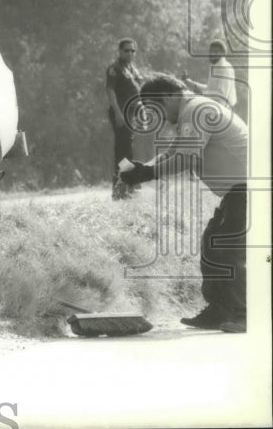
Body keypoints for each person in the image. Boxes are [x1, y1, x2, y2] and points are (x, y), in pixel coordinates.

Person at [120, 73, 248, 333]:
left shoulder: (195, 111)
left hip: (248, 189)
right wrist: (144, 168)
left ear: (169, 96)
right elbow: (174, 153)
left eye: (159, 109)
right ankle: (219, 309)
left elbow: (186, 160)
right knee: (212, 245)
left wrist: (147, 173)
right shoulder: (193, 110)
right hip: (238, 191)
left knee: (226, 249)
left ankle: (244, 313)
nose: (163, 118)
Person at [105, 38, 144, 200]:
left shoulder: (132, 69)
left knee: (128, 150)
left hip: (132, 113)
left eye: (132, 51)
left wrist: (142, 111)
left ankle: (129, 186)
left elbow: (138, 91)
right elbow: (110, 91)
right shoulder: (115, 69)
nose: (129, 53)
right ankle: (120, 188)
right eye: (126, 50)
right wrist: (118, 114)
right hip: (121, 113)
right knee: (122, 152)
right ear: (120, 51)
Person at [181, 39, 237, 109]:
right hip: (215, 108)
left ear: (222, 53)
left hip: (222, 111)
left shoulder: (224, 68)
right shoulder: (216, 66)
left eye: (215, 52)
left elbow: (221, 96)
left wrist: (201, 93)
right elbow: (210, 89)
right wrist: (190, 83)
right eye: (210, 51)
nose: (211, 54)